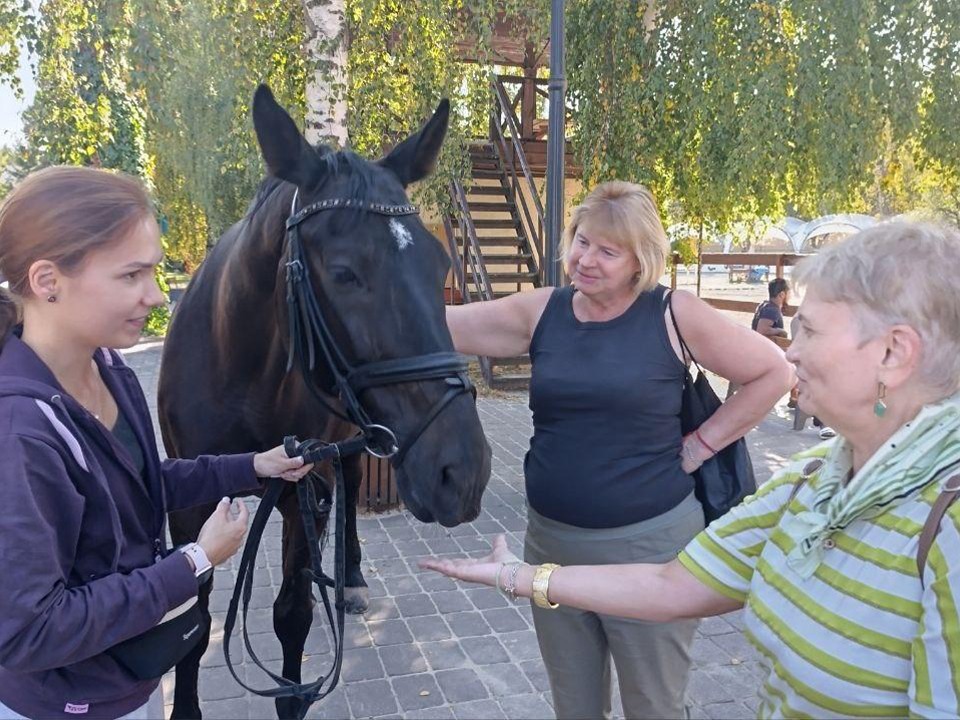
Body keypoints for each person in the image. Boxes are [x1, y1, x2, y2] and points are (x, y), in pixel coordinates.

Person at [426, 220, 960, 718]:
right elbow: (671, 586)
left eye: (811, 332)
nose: (791, 354)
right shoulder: (816, 478)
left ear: (893, 352)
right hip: (555, 537)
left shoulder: (947, 527)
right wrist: (516, 575)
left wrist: (699, 445)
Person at [444, 181, 792, 719]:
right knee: (574, 707)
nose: (586, 259)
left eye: (608, 251)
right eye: (582, 241)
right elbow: (437, 328)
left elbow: (774, 372)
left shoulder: (674, 314)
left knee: (653, 705)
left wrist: (702, 443)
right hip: (551, 543)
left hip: (649, 550)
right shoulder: (543, 311)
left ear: (640, 260)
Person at [0, 166, 313, 720]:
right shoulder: (18, 434)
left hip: (129, 680)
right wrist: (195, 560)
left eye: (156, 272)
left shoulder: (110, 369)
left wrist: (253, 466)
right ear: (48, 280)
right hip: (66, 705)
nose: (156, 296)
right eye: (131, 276)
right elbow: (30, 632)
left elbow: (138, 485)